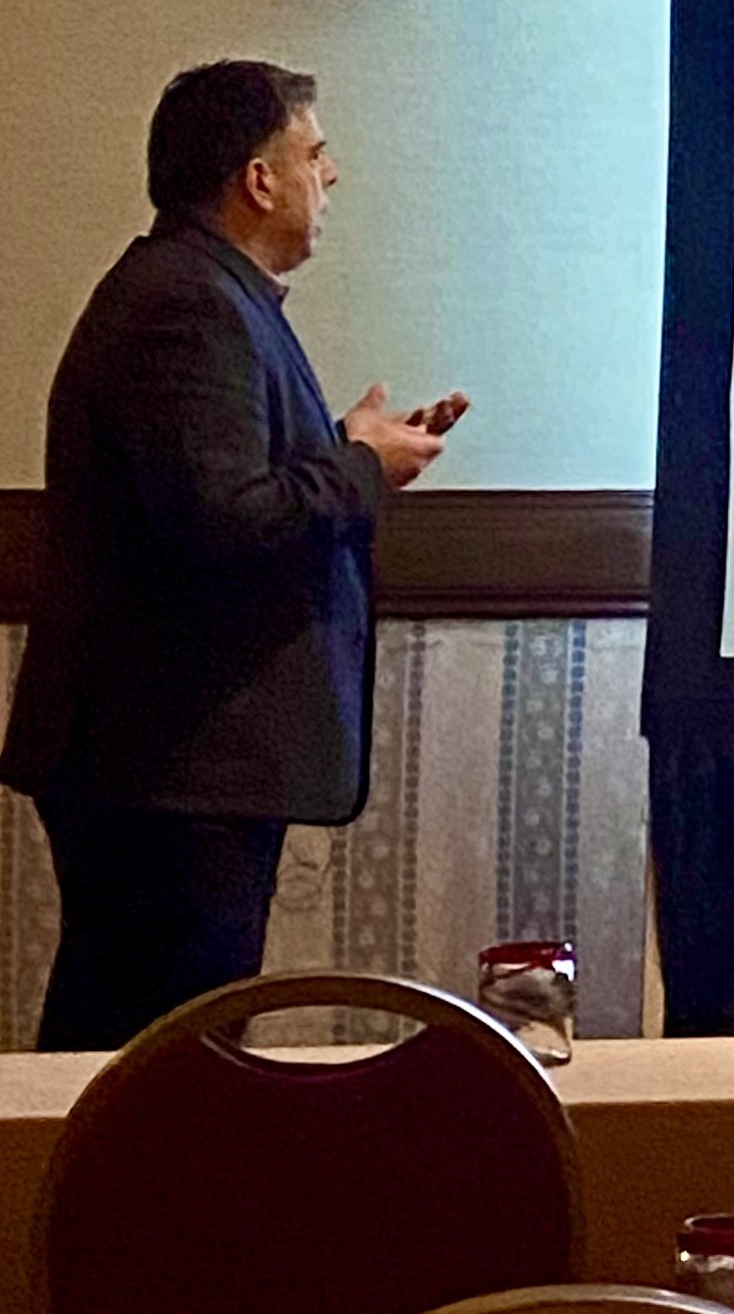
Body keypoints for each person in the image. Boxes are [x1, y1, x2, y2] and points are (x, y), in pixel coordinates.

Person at [0, 61, 466, 1050]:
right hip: (168, 772)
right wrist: (357, 465)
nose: (329, 177)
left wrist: (350, 451)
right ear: (258, 179)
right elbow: (223, 519)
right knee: (151, 1068)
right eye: (314, 153)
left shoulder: (206, 290)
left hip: (171, 768)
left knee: (144, 1062)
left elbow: (215, 491)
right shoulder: (189, 303)